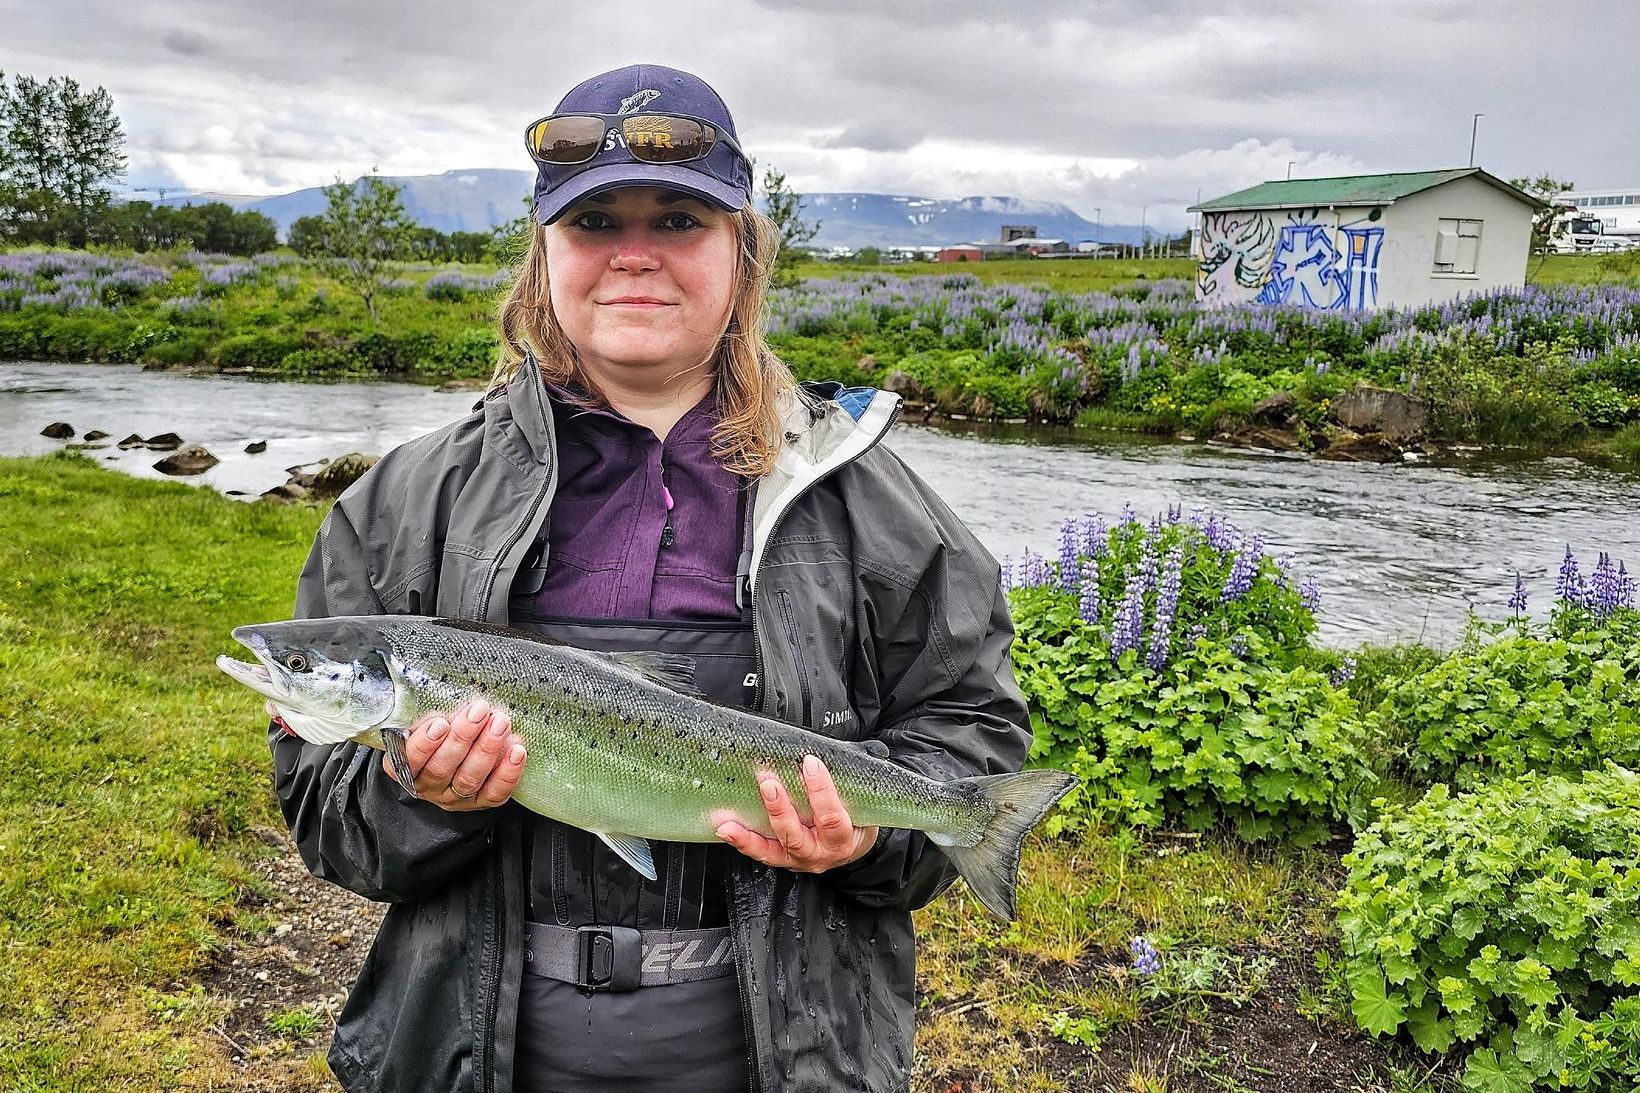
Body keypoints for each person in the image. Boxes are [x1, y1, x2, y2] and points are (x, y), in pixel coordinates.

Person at [270, 63, 1031, 1093]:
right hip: (465, 1057)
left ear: (742, 251)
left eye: (678, 219)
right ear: (543, 256)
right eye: (592, 223)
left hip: (784, 1059)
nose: (634, 256)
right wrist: (424, 793)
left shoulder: (869, 505)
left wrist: (865, 841)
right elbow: (324, 807)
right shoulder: (409, 502)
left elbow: (970, 723)